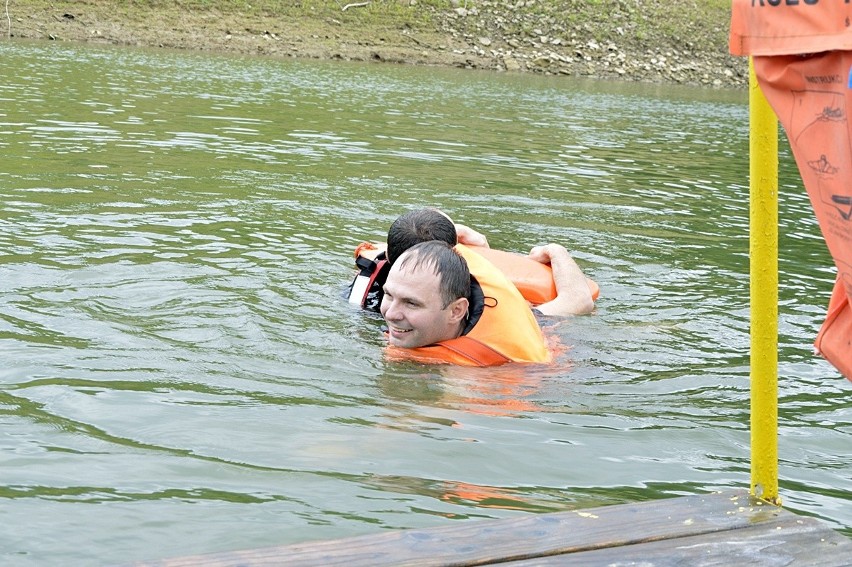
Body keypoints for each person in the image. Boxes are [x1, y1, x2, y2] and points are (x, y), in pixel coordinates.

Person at [350, 207, 595, 316]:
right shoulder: (476, 311)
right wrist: (556, 251)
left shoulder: (369, 287)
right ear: (456, 255)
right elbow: (579, 301)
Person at [381, 240, 551, 366]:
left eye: (411, 303)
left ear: (456, 311)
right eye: (388, 294)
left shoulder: (474, 373)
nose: (390, 314)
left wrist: (553, 253)